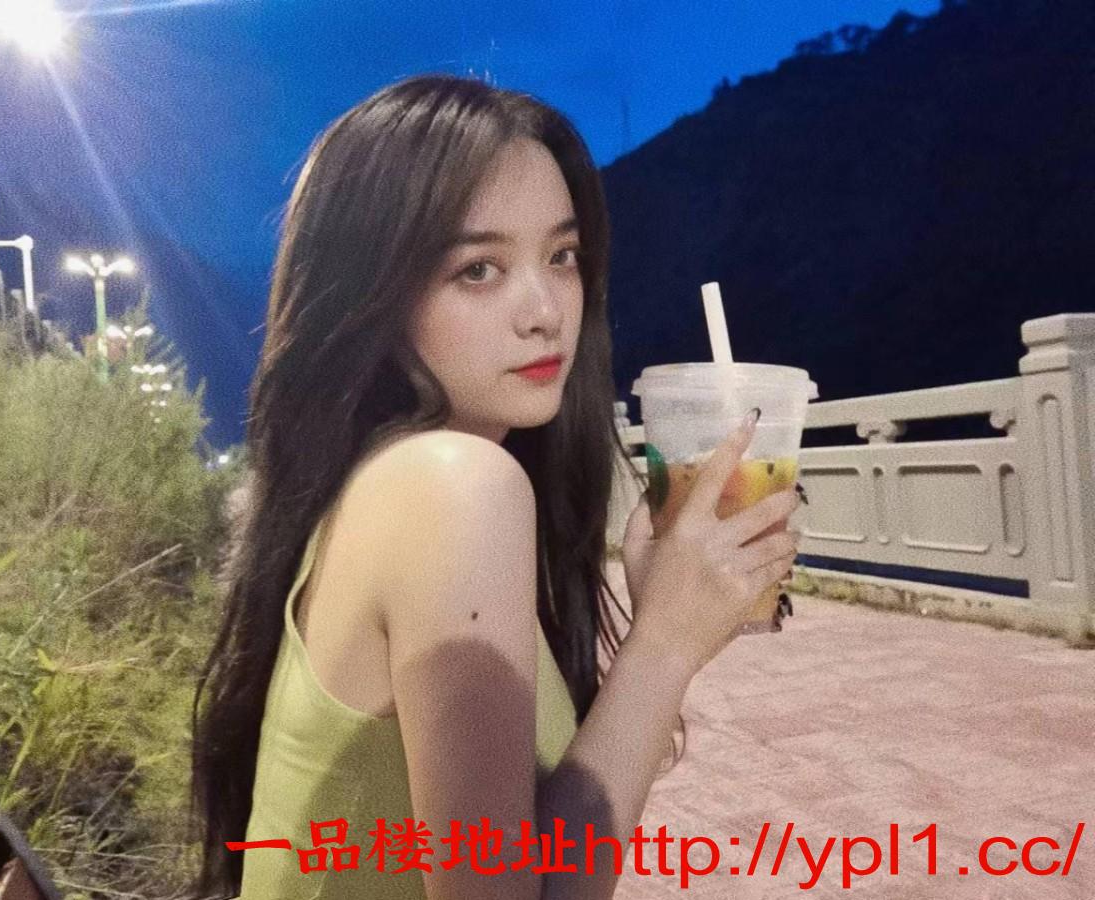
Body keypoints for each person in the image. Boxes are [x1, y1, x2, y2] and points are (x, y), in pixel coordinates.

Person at [189, 73, 800, 900]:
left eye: (562, 257)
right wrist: (664, 644)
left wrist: (667, 629)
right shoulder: (451, 484)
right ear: (374, 296)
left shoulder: (387, 482)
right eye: (478, 269)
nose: (545, 310)